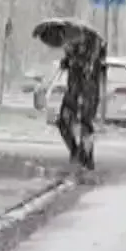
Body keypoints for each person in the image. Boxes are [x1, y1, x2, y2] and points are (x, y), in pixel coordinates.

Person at [55, 29, 106, 170]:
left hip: (88, 92)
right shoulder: (74, 51)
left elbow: (93, 68)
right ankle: (76, 151)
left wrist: (76, 62)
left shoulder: (94, 49)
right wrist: (67, 60)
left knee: (86, 123)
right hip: (73, 91)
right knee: (63, 121)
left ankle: (86, 156)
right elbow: (68, 65)